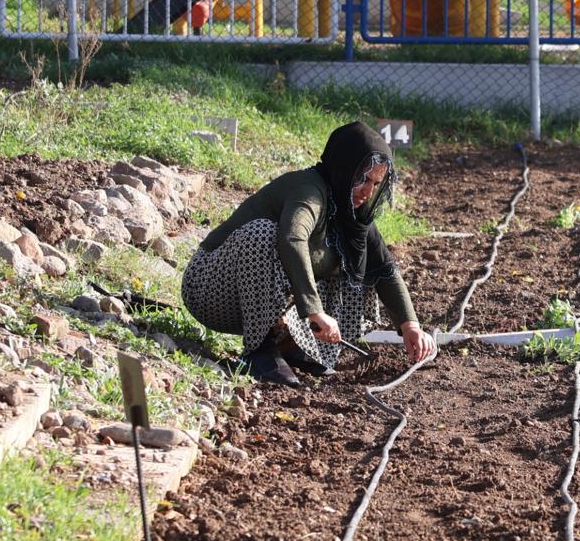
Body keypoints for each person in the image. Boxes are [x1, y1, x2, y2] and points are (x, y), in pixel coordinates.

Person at [181, 122, 432, 387]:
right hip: (210, 289)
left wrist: (410, 326)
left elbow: (384, 268)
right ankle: (260, 351)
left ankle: (290, 344)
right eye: (362, 180)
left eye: (375, 184)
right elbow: (292, 238)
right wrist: (314, 311)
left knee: (357, 261)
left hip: (253, 306)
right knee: (264, 234)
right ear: (343, 169)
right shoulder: (309, 190)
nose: (367, 192)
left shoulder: (350, 210)